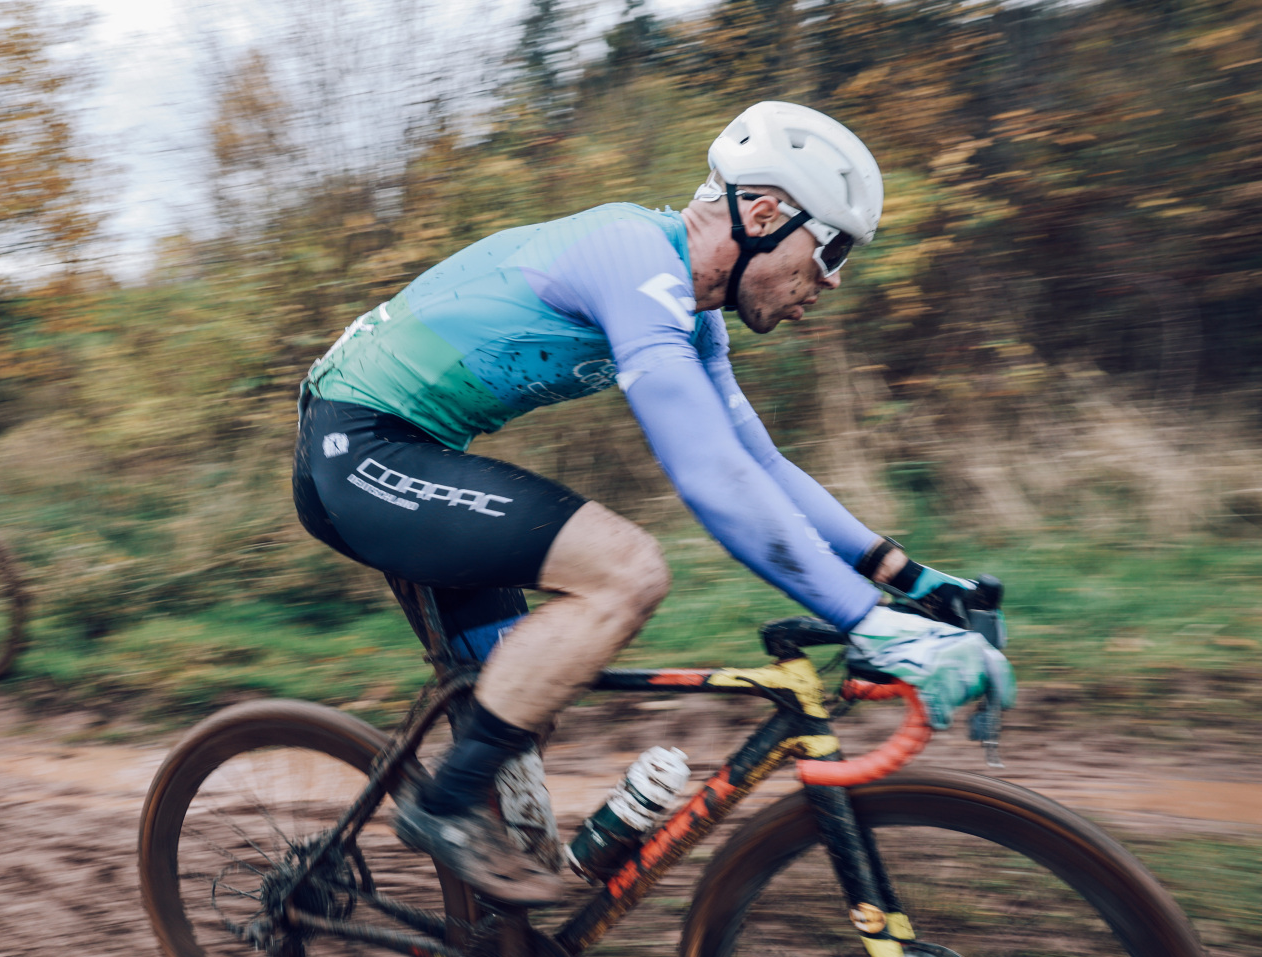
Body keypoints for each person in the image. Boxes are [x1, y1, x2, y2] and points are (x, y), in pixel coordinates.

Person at [293, 101, 1014, 906]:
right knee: (627, 572)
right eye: (832, 248)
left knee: (527, 698)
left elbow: (759, 463)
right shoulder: (633, 257)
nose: (834, 277)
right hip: (356, 449)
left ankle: (501, 950)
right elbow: (709, 476)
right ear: (765, 215)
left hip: (419, 452)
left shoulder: (695, 320)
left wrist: (908, 579)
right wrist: (866, 621)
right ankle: (443, 806)